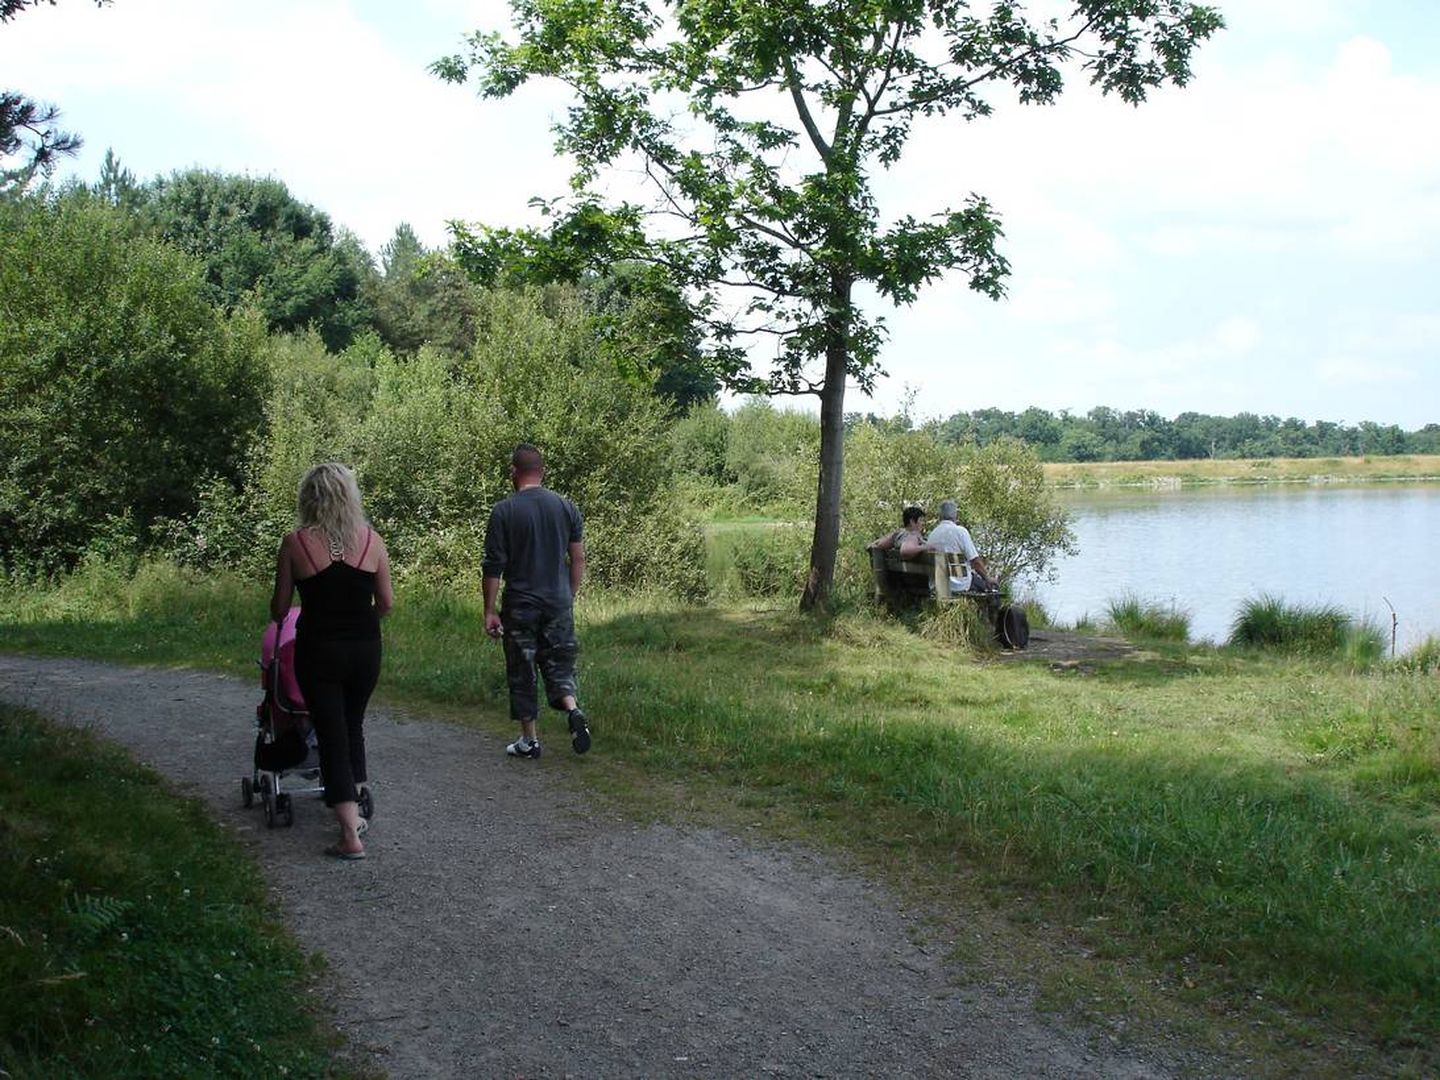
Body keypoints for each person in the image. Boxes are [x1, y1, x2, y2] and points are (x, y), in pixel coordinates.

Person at [270, 463, 393, 860]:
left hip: (318, 649)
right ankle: (354, 804)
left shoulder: (295, 543)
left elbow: (280, 606)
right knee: (352, 725)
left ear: (309, 498)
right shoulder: (373, 541)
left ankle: (350, 837)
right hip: (365, 649)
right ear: (349, 497)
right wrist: (358, 621)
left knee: (331, 734)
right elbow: (386, 604)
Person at [482, 443, 591, 759]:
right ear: (542, 472)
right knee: (559, 662)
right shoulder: (567, 507)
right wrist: (567, 595)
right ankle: (572, 709)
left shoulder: (504, 511)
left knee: (523, 669)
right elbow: (578, 557)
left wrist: (489, 610)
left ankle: (529, 741)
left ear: (513, 472)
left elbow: (493, 567)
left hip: (521, 605)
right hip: (557, 601)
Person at [925, 499, 998, 594]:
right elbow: (976, 562)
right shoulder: (960, 532)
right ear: (955, 515)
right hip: (959, 585)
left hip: (937, 585)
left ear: (940, 516)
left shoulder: (932, 534)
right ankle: (996, 608)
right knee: (991, 589)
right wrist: (987, 578)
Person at [867, 506, 931, 559]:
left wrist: (871, 545)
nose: (923, 523)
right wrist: (928, 546)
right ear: (912, 521)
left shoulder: (898, 534)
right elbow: (905, 550)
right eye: (921, 520)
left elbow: (879, 545)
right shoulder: (913, 535)